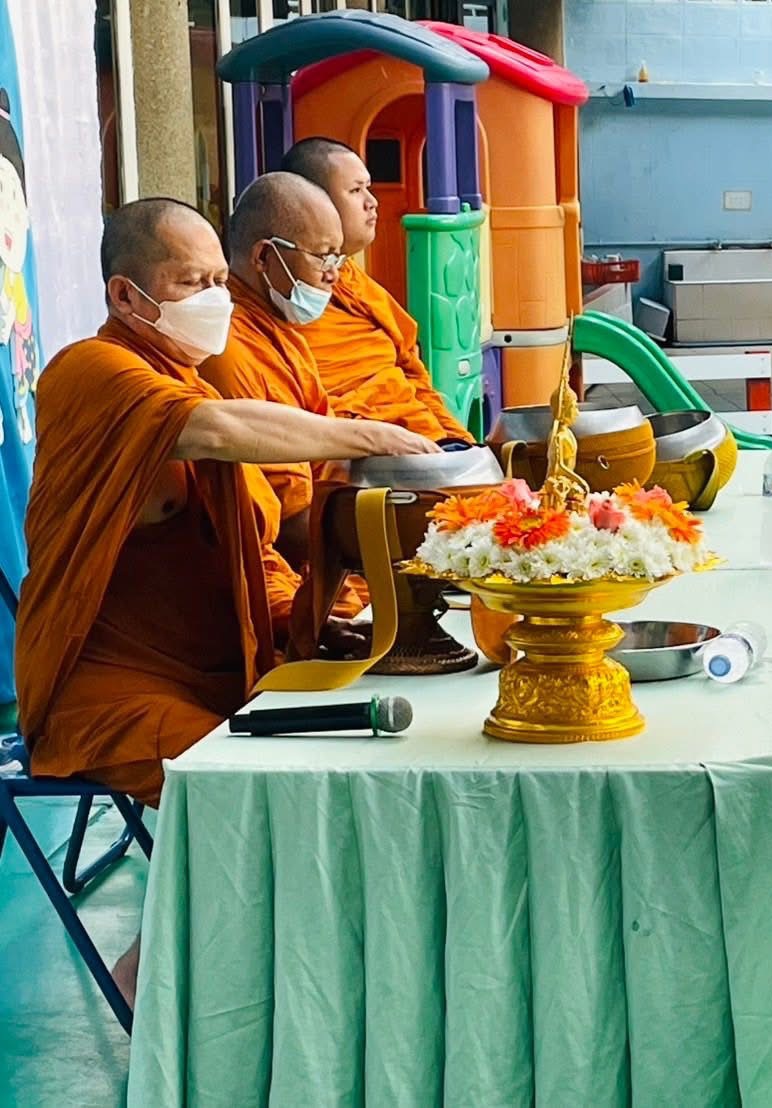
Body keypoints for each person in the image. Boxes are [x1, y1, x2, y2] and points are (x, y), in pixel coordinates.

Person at [15, 198, 440, 1001]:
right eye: (192, 282)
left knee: (344, 757)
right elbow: (209, 430)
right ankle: (152, 987)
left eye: (219, 279)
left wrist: (308, 619)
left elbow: (248, 546)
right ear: (126, 296)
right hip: (107, 690)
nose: (215, 298)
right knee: (253, 792)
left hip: (216, 669)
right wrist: (368, 436)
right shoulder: (90, 372)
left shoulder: (188, 376)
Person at [280, 137, 474, 445]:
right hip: (362, 459)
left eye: (368, 188)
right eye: (355, 190)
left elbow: (414, 375)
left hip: (425, 444)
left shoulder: (352, 280)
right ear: (315, 204)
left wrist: (461, 444)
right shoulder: (284, 297)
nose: (372, 202)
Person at [199, 172, 346, 574]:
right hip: (288, 564)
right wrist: (389, 538)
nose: (334, 274)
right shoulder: (226, 350)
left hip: (327, 536)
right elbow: (284, 521)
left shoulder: (281, 330)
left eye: (338, 259)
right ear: (264, 257)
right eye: (323, 257)